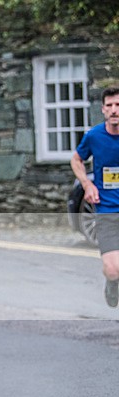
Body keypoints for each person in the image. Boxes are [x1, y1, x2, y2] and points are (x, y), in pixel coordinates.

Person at [70, 87, 119, 308]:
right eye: (109, 106)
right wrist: (87, 184)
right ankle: (112, 283)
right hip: (106, 211)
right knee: (111, 268)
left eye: (118, 105)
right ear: (103, 109)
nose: (114, 110)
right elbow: (76, 160)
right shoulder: (94, 136)